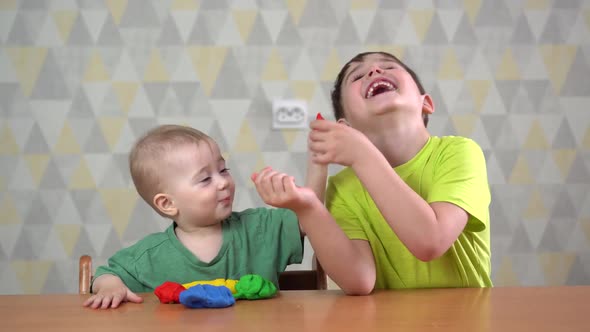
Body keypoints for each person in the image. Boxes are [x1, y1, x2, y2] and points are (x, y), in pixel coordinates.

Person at [252, 51, 491, 295]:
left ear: (426, 103)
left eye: (388, 66)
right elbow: (359, 281)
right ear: (345, 128)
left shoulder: (459, 153)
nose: (374, 71)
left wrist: (361, 154)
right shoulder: (343, 187)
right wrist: (309, 208)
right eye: (356, 76)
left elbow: (430, 241)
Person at [83, 125, 305, 309]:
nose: (223, 182)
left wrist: (317, 165)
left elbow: (308, 218)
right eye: (205, 179)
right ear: (168, 203)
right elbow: (106, 274)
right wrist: (110, 286)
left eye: (223, 170)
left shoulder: (259, 229)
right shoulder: (148, 258)